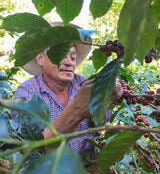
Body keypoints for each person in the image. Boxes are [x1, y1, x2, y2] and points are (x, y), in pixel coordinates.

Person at [11, 22, 123, 153]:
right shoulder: (26, 94)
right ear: (40, 59)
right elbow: (33, 151)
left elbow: (101, 123)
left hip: (87, 164)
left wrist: (108, 98)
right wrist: (76, 111)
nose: (69, 62)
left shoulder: (86, 85)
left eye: (73, 57)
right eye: (60, 55)